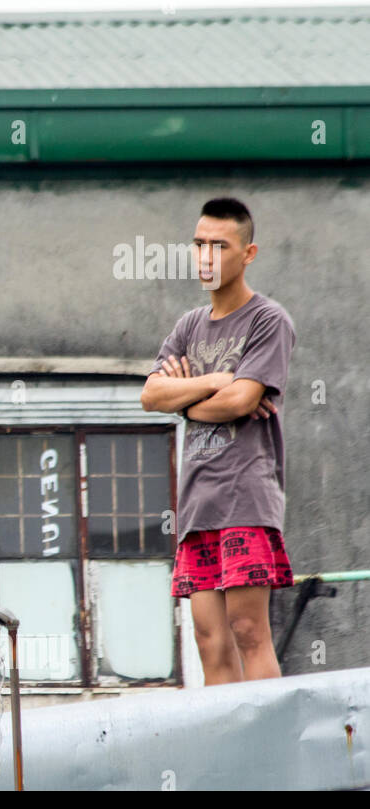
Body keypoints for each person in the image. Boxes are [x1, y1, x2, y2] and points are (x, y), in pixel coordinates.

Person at [141, 197, 296, 685]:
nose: (206, 257)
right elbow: (150, 395)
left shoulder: (268, 320)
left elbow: (242, 401)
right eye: (199, 245)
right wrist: (214, 382)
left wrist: (186, 399)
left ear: (248, 253)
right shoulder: (188, 326)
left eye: (219, 246)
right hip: (197, 505)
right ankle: (230, 749)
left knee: (249, 629)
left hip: (246, 498)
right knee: (210, 642)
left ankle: (268, 743)